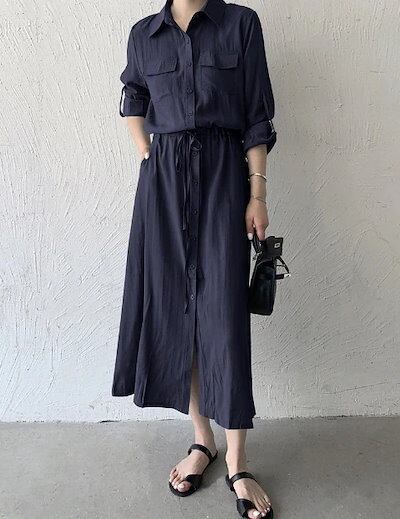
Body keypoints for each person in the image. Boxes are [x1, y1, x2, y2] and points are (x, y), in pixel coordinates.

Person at [112, 0, 277, 517]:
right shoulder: (144, 34)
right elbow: (132, 94)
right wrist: (147, 152)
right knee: (174, 310)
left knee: (223, 316)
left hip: (224, 178)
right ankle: (202, 440)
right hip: (162, 184)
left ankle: (238, 461)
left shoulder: (241, 24)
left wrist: (257, 194)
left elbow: (256, 115)